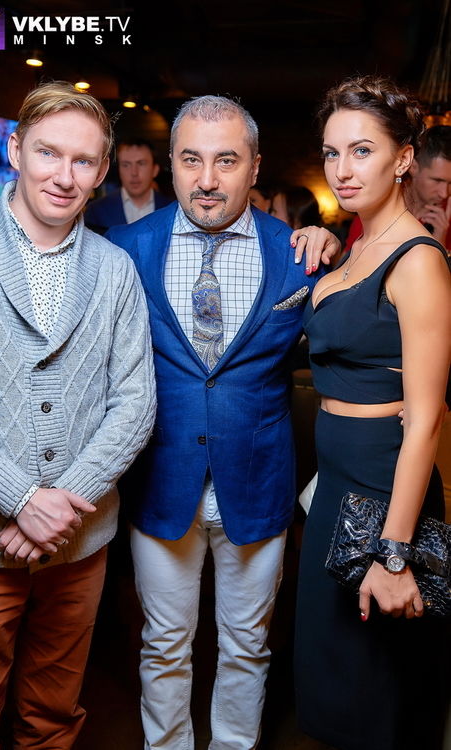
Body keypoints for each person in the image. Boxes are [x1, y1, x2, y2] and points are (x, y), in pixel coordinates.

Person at [106, 94, 340, 749]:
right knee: (163, 643)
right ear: (171, 164)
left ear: (254, 167)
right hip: (161, 482)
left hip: (257, 482)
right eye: (191, 160)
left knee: (246, 644)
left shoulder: (299, 255)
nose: (206, 179)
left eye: (226, 161)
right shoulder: (124, 250)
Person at [0, 81, 156, 749]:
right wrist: (20, 497)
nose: (64, 177)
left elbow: (136, 402)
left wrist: (60, 505)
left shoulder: (116, 269)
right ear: (14, 150)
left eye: (83, 161)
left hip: (78, 546)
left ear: (101, 172)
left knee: (52, 720)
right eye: (48, 153)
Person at [294, 75, 451, 750]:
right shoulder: (356, 245)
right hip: (334, 486)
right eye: (332, 153)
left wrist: (393, 552)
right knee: (334, 683)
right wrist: (322, 241)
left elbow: (426, 420)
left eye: (362, 151)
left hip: (385, 493)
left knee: (380, 692)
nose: (342, 169)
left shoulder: (418, 261)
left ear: (402, 158)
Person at [345, 124, 451, 252]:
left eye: (450, 183)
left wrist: (440, 244)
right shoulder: (378, 208)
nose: (444, 193)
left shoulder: (446, 218)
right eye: (437, 181)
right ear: (413, 167)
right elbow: (349, 263)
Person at [84, 138, 171, 232]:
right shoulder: (96, 211)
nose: (134, 173)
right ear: (119, 170)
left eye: (141, 164)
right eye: (126, 165)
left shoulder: (172, 210)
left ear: (155, 170)